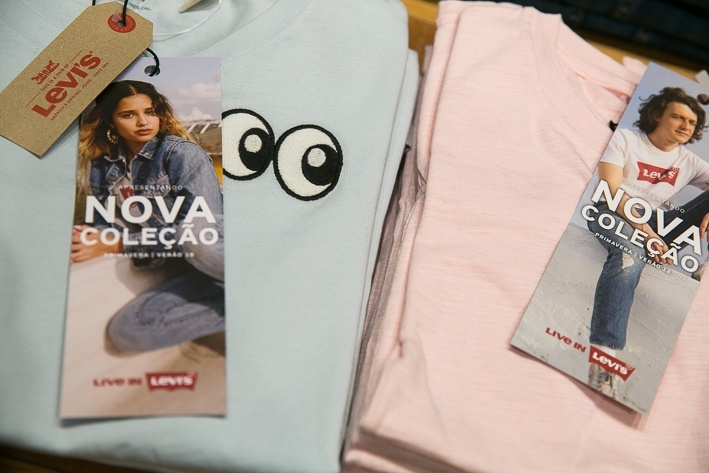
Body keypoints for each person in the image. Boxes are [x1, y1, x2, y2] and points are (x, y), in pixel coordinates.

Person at [73, 80, 225, 352]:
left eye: (150, 112)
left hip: (225, 254)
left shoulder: (181, 154)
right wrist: (87, 238)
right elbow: (105, 227)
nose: (143, 121)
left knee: (194, 236)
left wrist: (121, 244)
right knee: (129, 332)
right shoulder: (102, 167)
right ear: (110, 121)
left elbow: (205, 234)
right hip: (193, 272)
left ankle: (260, 287)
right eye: (128, 114)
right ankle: (252, 304)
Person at [586, 87, 709, 397]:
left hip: (657, 225)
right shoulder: (624, 139)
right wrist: (647, 234)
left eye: (692, 122)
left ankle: (704, 267)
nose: (686, 126)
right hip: (613, 213)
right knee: (629, 256)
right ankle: (604, 362)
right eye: (678, 117)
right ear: (657, 115)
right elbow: (610, 192)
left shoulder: (689, 161)